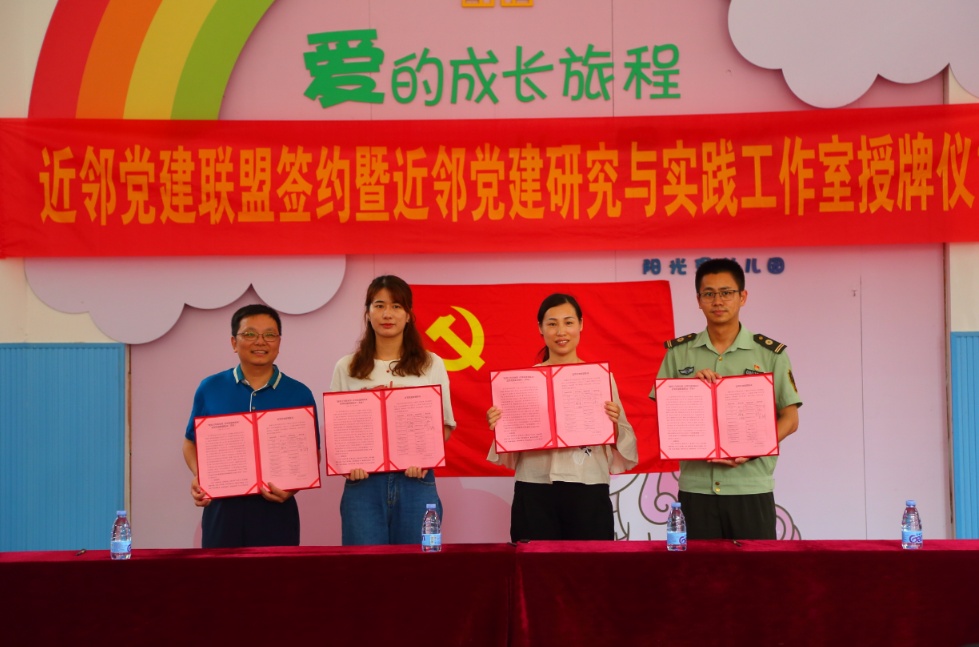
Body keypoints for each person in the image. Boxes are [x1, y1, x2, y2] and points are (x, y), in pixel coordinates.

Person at [651, 258, 802, 540]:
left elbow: (791, 419)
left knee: (756, 567)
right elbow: (666, 417)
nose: (718, 301)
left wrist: (753, 449)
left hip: (750, 487)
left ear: (742, 297)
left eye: (726, 292)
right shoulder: (678, 354)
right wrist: (690, 394)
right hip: (696, 489)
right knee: (697, 567)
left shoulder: (770, 354)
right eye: (709, 294)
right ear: (698, 300)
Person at [486, 293, 638, 542]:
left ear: (581, 324)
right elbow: (509, 448)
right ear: (540, 328)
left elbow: (626, 439)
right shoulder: (522, 383)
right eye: (552, 323)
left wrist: (614, 425)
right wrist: (501, 425)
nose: (561, 331)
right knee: (534, 564)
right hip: (534, 488)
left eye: (568, 322)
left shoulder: (600, 378)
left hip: (588, 488)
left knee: (589, 563)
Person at [330, 275, 456, 546]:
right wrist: (348, 463)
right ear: (368, 313)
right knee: (364, 566)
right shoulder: (347, 367)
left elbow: (444, 425)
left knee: (420, 564)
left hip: (416, 480)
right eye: (379, 305)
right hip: (363, 484)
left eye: (396, 306)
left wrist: (424, 456)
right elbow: (338, 431)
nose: (387, 314)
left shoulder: (431, 363)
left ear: (408, 315)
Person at [182, 304, 320, 548]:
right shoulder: (210, 388)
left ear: (279, 342)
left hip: (277, 510)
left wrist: (293, 488)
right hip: (222, 509)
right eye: (250, 334)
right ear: (234, 342)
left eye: (269, 334)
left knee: (277, 573)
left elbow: (312, 454)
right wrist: (200, 476)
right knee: (219, 572)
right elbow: (189, 442)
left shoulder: (299, 394)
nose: (260, 341)